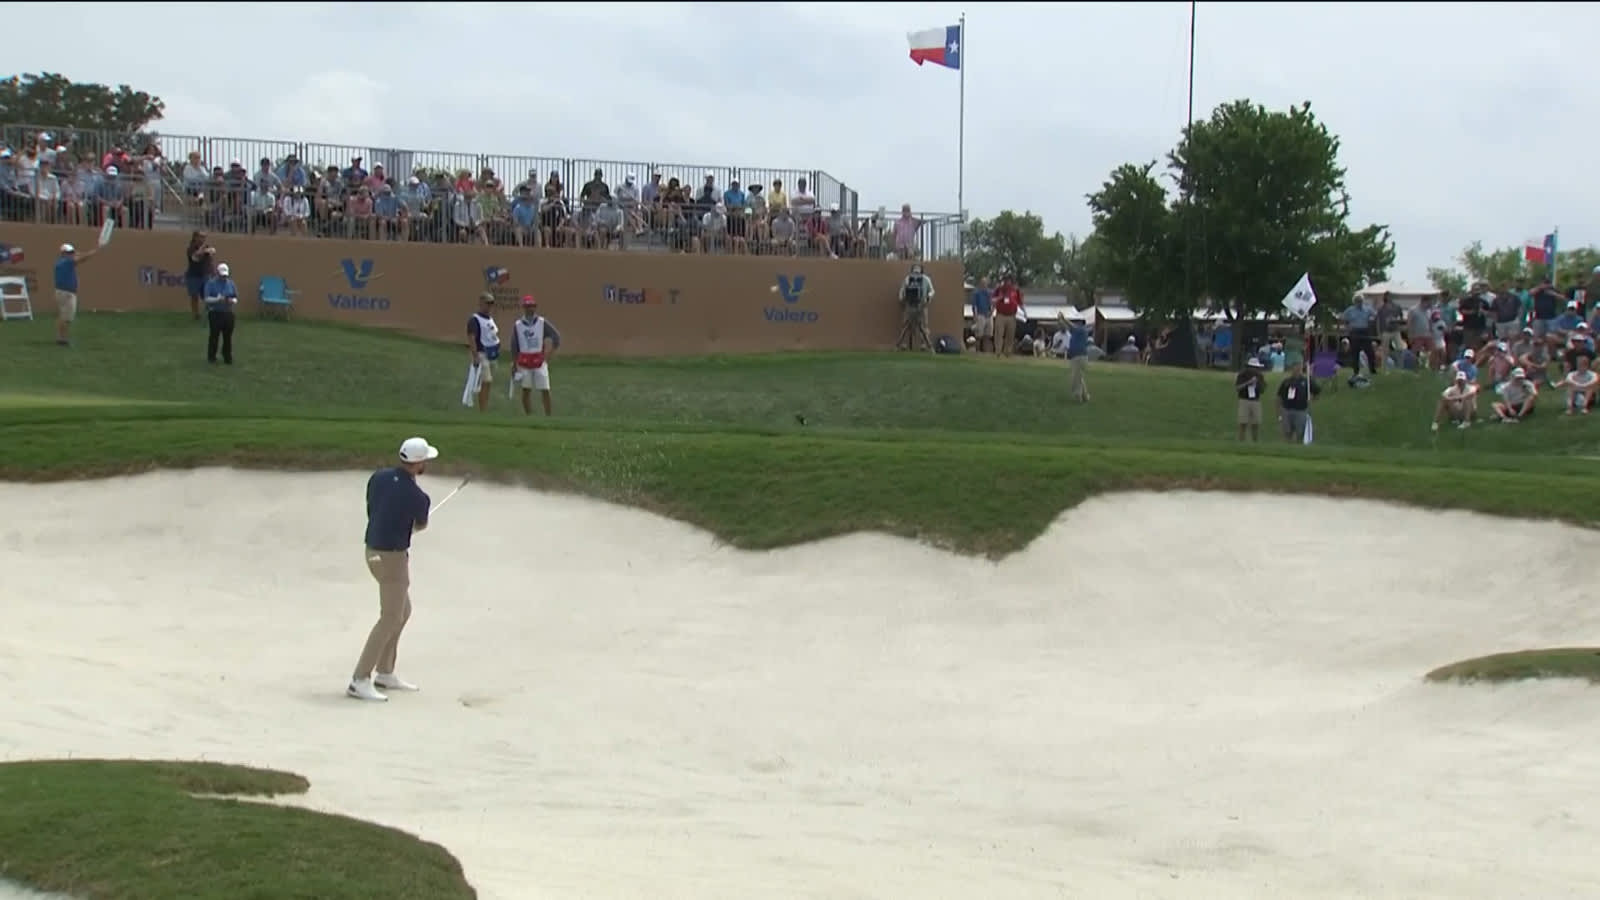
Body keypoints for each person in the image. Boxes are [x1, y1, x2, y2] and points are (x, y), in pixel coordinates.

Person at [349, 436, 438, 702]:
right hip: (392, 560)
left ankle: (385, 672)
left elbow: (373, 508)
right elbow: (420, 526)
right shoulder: (418, 497)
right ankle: (360, 679)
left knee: (403, 611)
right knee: (390, 617)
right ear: (419, 464)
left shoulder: (379, 477)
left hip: (372, 553)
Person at [509, 294, 562, 416]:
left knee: (545, 390)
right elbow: (514, 345)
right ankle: (529, 416)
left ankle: (548, 416)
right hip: (524, 361)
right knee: (526, 390)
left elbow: (556, 337)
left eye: (532, 306)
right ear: (524, 307)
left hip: (539, 361)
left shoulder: (542, 323)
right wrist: (514, 362)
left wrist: (548, 356)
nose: (530, 309)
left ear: (535, 307)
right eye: (527, 306)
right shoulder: (518, 325)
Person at [53, 241, 101, 347]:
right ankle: (63, 339)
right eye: (69, 252)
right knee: (67, 318)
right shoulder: (67, 262)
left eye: (72, 252)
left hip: (61, 292)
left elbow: (78, 255)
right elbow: (82, 258)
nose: (72, 254)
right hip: (67, 294)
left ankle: (60, 337)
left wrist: (81, 252)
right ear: (64, 253)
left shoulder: (61, 261)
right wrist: (94, 250)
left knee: (63, 316)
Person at [462, 292, 501, 411]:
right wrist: (475, 356)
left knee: (487, 383)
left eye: (491, 304)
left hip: (492, 356)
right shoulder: (475, 319)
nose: (489, 306)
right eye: (487, 303)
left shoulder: (490, 319)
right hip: (481, 354)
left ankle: (484, 407)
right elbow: (471, 337)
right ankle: (482, 410)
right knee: (486, 381)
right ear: (481, 303)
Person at [203, 262, 239, 365]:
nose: (224, 277)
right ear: (217, 273)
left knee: (228, 337)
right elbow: (207, 299)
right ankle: (212, 356)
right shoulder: (210, 283)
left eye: (225, 275)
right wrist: (217, 299)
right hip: (215, 313)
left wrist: (232, 301)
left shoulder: (231, 284)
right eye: (222, 275)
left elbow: (235, 297)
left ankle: (227, 356)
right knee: (214, 336)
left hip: (228, 313)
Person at [1276, 361, 1320, 443]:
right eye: (1295, 368)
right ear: (1292, 369)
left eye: (1299, 368)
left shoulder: (1306, 381)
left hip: (1301, 410)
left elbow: (1317, 392)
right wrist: (1279, 412)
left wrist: (1312, 400)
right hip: (1287, 410)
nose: (1297, 370)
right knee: (1287, 433)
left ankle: (1299, 448)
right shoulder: (1286, 382)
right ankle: (1288, 448)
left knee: (1300, 433)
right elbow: (1279, 397)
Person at [896, 263, 935, 352]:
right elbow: (902, 289)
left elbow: (932, 291)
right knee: (906, 325)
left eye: (918, 270)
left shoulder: (926, 279)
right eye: (915, 270)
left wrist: (928, 297)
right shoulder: (907, 279)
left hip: (922, 305)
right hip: (909, 305)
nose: (916, 273)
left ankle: (924, 344)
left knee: (923, 326)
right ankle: (903, 344)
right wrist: (902, 298)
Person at [183, 231, 215, 321]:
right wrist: (203, 250)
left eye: (204, 237)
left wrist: (212, 271)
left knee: (207, 295)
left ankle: (209, 313)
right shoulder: (191, 248)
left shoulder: (207, 247)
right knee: (194, 296)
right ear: (195, 237)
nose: (203, 239)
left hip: (205, 275)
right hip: (193, 275)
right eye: (201, 237)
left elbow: (211, 254)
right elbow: (195, 257)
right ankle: (195, 315)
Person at [1235, 358, 1267, 441]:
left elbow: (1263, 390)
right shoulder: (1242, 375)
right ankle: (1241, 441)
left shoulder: (1260, 376)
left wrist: (1257, 384)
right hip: (1244, 400)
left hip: (1255, 401)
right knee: (1243, 423)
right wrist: (1248, 383)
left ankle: (1255, 442)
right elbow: (1238, 387)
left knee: (1256, 424)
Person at [991, 274, 1023, 357]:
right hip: (1000, 315)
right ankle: (998, 351)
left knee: (1010, 334)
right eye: (1006, 280)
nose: (1007, 282)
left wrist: (1024, 312)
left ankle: (1007, 352)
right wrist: (999, 298)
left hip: (1011, 315)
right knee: (999, 333)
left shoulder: (1015, 290)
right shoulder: (999, 289)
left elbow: (1020, 302)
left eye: (1009, 280)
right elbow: (992, 299)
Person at [1064, 313, 1092, 403]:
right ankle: (1085, 396)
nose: (1075, 323)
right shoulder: (1078, 331)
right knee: (1079, 377)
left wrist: (1063, 318)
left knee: (1075, 378)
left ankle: (1078, 397)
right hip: (1078, 356)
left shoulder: (1081, 330)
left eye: (1077, 322)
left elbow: (1070, 325)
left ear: (1081, 322)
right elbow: (1069, 327)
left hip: (1079, 357)